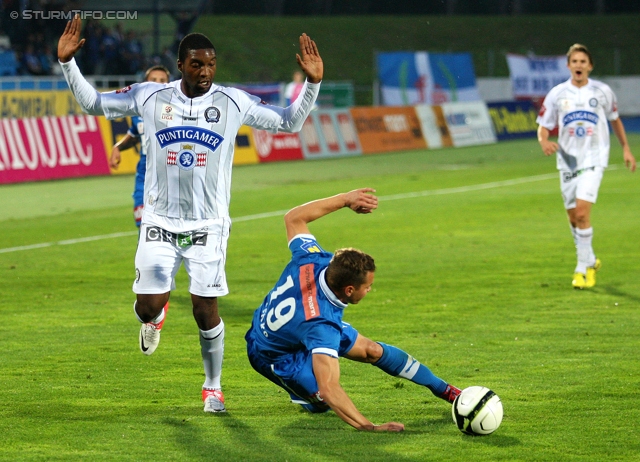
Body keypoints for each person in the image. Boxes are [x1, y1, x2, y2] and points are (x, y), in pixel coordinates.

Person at [57, 15, 323, 413]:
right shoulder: (150, 96)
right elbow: (95, 103)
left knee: (205, 309)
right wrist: (68, 63)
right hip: (159, 221)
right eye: (197, 64)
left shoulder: (232, 102)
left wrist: (312, 84)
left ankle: (212, 386)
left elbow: (290, 121)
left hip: (208, 225)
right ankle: (154, 317)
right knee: (147, 304)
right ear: (180, 65)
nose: (205, 72)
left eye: (211, 64)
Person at [245, 189, 461, 431]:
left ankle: (447, 390)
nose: (370, 290)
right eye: (367, 286)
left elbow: (294, 218)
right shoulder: (322, 326)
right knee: (321, 400)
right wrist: (369, 426)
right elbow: (330, 388)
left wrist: (346, 200)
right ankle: (302, 393)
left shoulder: (313, 258)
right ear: (349, 290)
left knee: (371, 350)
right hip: (273, 354)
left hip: (291, 323)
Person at [536, 43, 636, 289]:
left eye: (583, 61)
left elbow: (615, 120)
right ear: (568, 65)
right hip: (568, 160)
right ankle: (590, 259)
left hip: (594, 158)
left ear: (589, 66)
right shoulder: (557, 94)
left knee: (582, 213)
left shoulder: (602, 91)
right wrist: (543, 141)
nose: (579, 65)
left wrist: (625, 148)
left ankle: (581, 270)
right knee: (573, 218)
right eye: (575, 61)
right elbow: (544, 125)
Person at [109, 66, 171, 229]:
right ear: (145, 84)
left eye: (162, 81)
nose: (158, 84)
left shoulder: (179, 110)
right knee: (143, 225)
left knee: (168, 228)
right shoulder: (139, 111)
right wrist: (118, 147)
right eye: (153, 80)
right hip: (144, 174)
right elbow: (135, 134)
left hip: (170, 173)